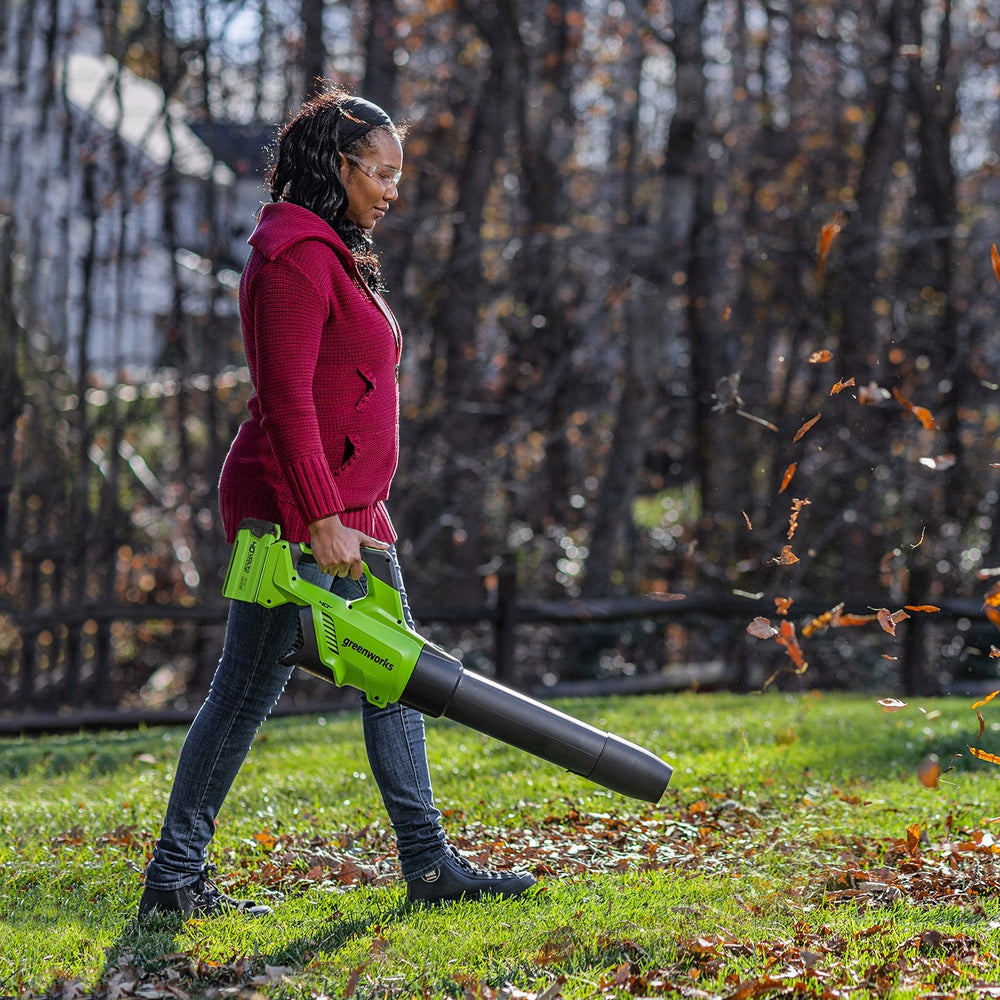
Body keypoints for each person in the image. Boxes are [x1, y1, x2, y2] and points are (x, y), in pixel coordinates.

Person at [138, 87, 536, 917]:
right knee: (248, 690)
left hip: (350, 506)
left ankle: (427, 865)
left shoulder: (332, 251)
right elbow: (283, 399)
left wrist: (347, 509)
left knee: (394, 676)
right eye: (382, 173)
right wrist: (317, 518)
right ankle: (174, 880)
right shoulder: (291, 256)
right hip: (290, 512)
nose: (394, 189)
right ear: (338, 164)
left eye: (398, 174)